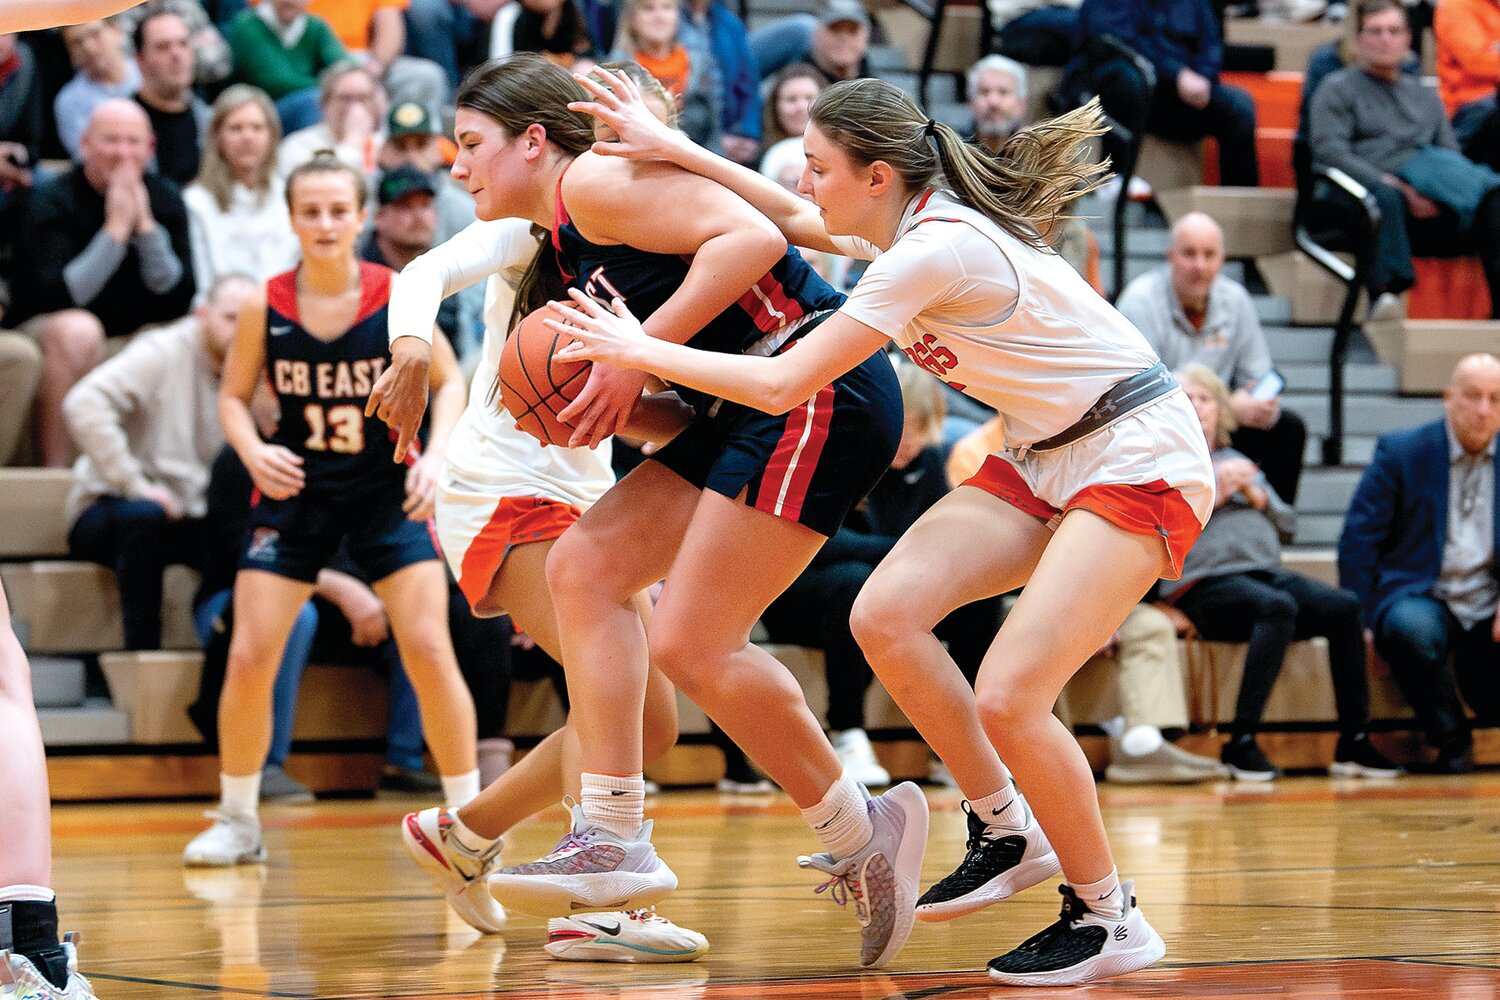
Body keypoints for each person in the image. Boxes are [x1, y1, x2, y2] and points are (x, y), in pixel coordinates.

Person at [553, 69, 1212, 985]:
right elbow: (795, 216)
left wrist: (640, 350)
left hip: (1136, 452)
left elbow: (786, 383)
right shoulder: (906, 225)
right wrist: (678, 150)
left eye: (820, 167)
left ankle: (1109, 914)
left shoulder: (929, 252)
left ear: (875, 177)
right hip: (1045, 451)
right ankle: (1007, 828)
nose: (808, 182)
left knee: (1010, 695)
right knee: (885, 613)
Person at [368, 53, 921, 970]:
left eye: (471, 146)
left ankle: (860, 831)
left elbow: (752, 244)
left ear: (533, 142)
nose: (456, 167)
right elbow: (695, 352)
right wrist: (631, 392)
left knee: (691, 647)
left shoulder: (590, 185)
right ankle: (614, 835)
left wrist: (632, 352)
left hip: (813, 381)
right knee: (585, 568)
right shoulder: (565, 238)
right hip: (746, 401)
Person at [377, 63, 709, 960]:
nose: (457, 167)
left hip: (586, 489)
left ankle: (463, 834)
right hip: (500, 488)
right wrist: (411, 348)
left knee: (652, 719)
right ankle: (600, 904)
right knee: (618, 704)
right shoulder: (536, 231)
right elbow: (427, 268)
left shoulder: (669, 247)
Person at [182, 151, 478, 867]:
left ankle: (471, 821)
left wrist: (437, 458)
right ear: (290, 219)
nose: (324, 223)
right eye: (310, 212)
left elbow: (450, 382)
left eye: (338, 210)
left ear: (360, 217)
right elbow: (230, 397)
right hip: (296, 494)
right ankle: (238, 818)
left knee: (432, 648)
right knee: (250, 654)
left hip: (385, 491)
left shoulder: (396, 293)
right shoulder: (264, 303)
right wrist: (253, 451)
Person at [947, 417, 1227, 784]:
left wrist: (1102, 610)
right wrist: (1080, 610)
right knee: (1044, 628)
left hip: (1089, 576)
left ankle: (1141, 744)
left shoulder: (1083, 430)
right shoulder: (972, 451)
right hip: (1013, 588)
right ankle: (1037, 756)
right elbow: (982, 545)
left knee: (1149, 625)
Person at [1165, 365, 1400, 781]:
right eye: (1187, 398)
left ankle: (1354, 743)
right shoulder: (1163, 462)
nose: (1198, 407)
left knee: (1344, 607)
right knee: (1276, 607)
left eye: (1205, 399)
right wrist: (1216, 494)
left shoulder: (1239, 460)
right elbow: (1160, 530)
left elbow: (1289, 525)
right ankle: (1241, 743)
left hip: (1262, 571)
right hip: (1202, 581)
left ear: (1221, 411)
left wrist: (1259, 497)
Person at [62, 273, 255, 651]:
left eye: (249, 321)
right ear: (202, 314)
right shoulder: (163, 350)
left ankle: (222, 654)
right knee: (144, 519)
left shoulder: (256, 362)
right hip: (110, 507)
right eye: (231, 318)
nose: (240, 330)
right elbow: (83, 403)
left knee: (243, 535)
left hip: (193, 513)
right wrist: (134, 483)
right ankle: (141, 655)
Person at [11, 99, 196, 468]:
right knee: (81, 331)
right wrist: (115, 230)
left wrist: (144, 229)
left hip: (132, 325)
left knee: (196, 331)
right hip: (50, 326)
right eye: (111, 141)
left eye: (133, 142)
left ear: (150, 148)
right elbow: (60, 295)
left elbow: (177, 296)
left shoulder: (166, 198)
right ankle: (56, 474)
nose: (123, 153)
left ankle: (164, 473)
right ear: (85, 144)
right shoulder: (49, 199)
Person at [1339, 353, 1500, 775]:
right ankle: (1451, 738)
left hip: (1489, 597)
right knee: (1410, 629)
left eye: (1495, 399)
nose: (1484, 410)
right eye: (1473, 396)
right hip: (1421, 592)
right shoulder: (1403, 451)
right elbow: (1359, 540)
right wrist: (1362, 625)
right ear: (1449, 398)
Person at [1308, 0, 1500, 319]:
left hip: (1426, 201)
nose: (1386, 40)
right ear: (1357, 40)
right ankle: (1386, 297)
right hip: (1360, 198)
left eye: (1394, 31)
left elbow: (1449, 154)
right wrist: (1392, 184)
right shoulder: (1336, 89)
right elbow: (1330, 152)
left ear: (1409, 38)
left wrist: (1437, 194)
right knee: (1384, 197)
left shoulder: (1425, 96)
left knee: (1495, 200)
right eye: (1376, 31)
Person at [1116, 211, 1308, 504]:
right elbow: (1144, 393)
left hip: (1220, 420)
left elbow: (1256, 375)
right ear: (1170, 256)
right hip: (1161, 421)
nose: (1199, 266)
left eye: (1209, 255)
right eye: (1189, 254)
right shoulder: (1140, 300)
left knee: (1287, 428)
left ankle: (1273, 522)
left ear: (1222, 259)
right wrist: (1227, 406)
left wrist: (1258, 400)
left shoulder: (1236, 300)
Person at [1073, 0, 1259, 188]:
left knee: (1239, 106)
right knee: (1126, 79)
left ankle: (1240, 206)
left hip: (1176, 98)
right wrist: (1176, 73)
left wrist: (1203, 76)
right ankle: (1115, 181)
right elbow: (1116, 40)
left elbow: (1211, 42)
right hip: (1125, 91)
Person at [184, 84, 301, 299]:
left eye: (257, 128)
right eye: (236, 128)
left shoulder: (290, 195)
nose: (247, 137)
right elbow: (203, 284)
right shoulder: (196, 201)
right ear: (217, 137)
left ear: (272, 135)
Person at [610, 0, 721, 151]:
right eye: (648, 8)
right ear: (632, 19)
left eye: (667, 8)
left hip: (698, 155)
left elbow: (714, 126)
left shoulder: (699, 62)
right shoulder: (618, 68)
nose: (659, 16)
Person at [226, 0, 348, 134]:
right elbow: (277, 82)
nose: (290, 1)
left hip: (304, 103)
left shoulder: (315, 26)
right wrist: (330, 89)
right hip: (259, 110)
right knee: (312, 102)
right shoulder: (247, 25)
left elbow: (346, 67)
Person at [132, 7, 212, 188]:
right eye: (163, 47)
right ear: (140, 58)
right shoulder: (121, 126)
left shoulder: (211, 121)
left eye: (183, 44)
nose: (176, 54)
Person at [679, 0, 760, 164]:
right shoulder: (667, 17)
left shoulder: (730, 24)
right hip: (689, 136)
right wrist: (716, 140)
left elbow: (748, 85)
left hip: (731, 133)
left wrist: (747, 132)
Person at [277, 62, 386, 181]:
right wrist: (352, 140)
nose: (354, 108)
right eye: (345, 98)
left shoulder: (387, 143)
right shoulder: (298, 145)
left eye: (363, 98)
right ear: (324, 103)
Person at [54, 17, 141, 158]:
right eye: (77, 42)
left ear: (117, 31)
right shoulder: (68, 102)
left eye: (95, 34)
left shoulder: (148, 73)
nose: (89, 48)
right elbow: (86, 159)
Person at [760, 61, 822, 152]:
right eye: (791, 99)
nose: (801, 107)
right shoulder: (755, 157)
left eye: (809, 98)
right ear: (775, 106)